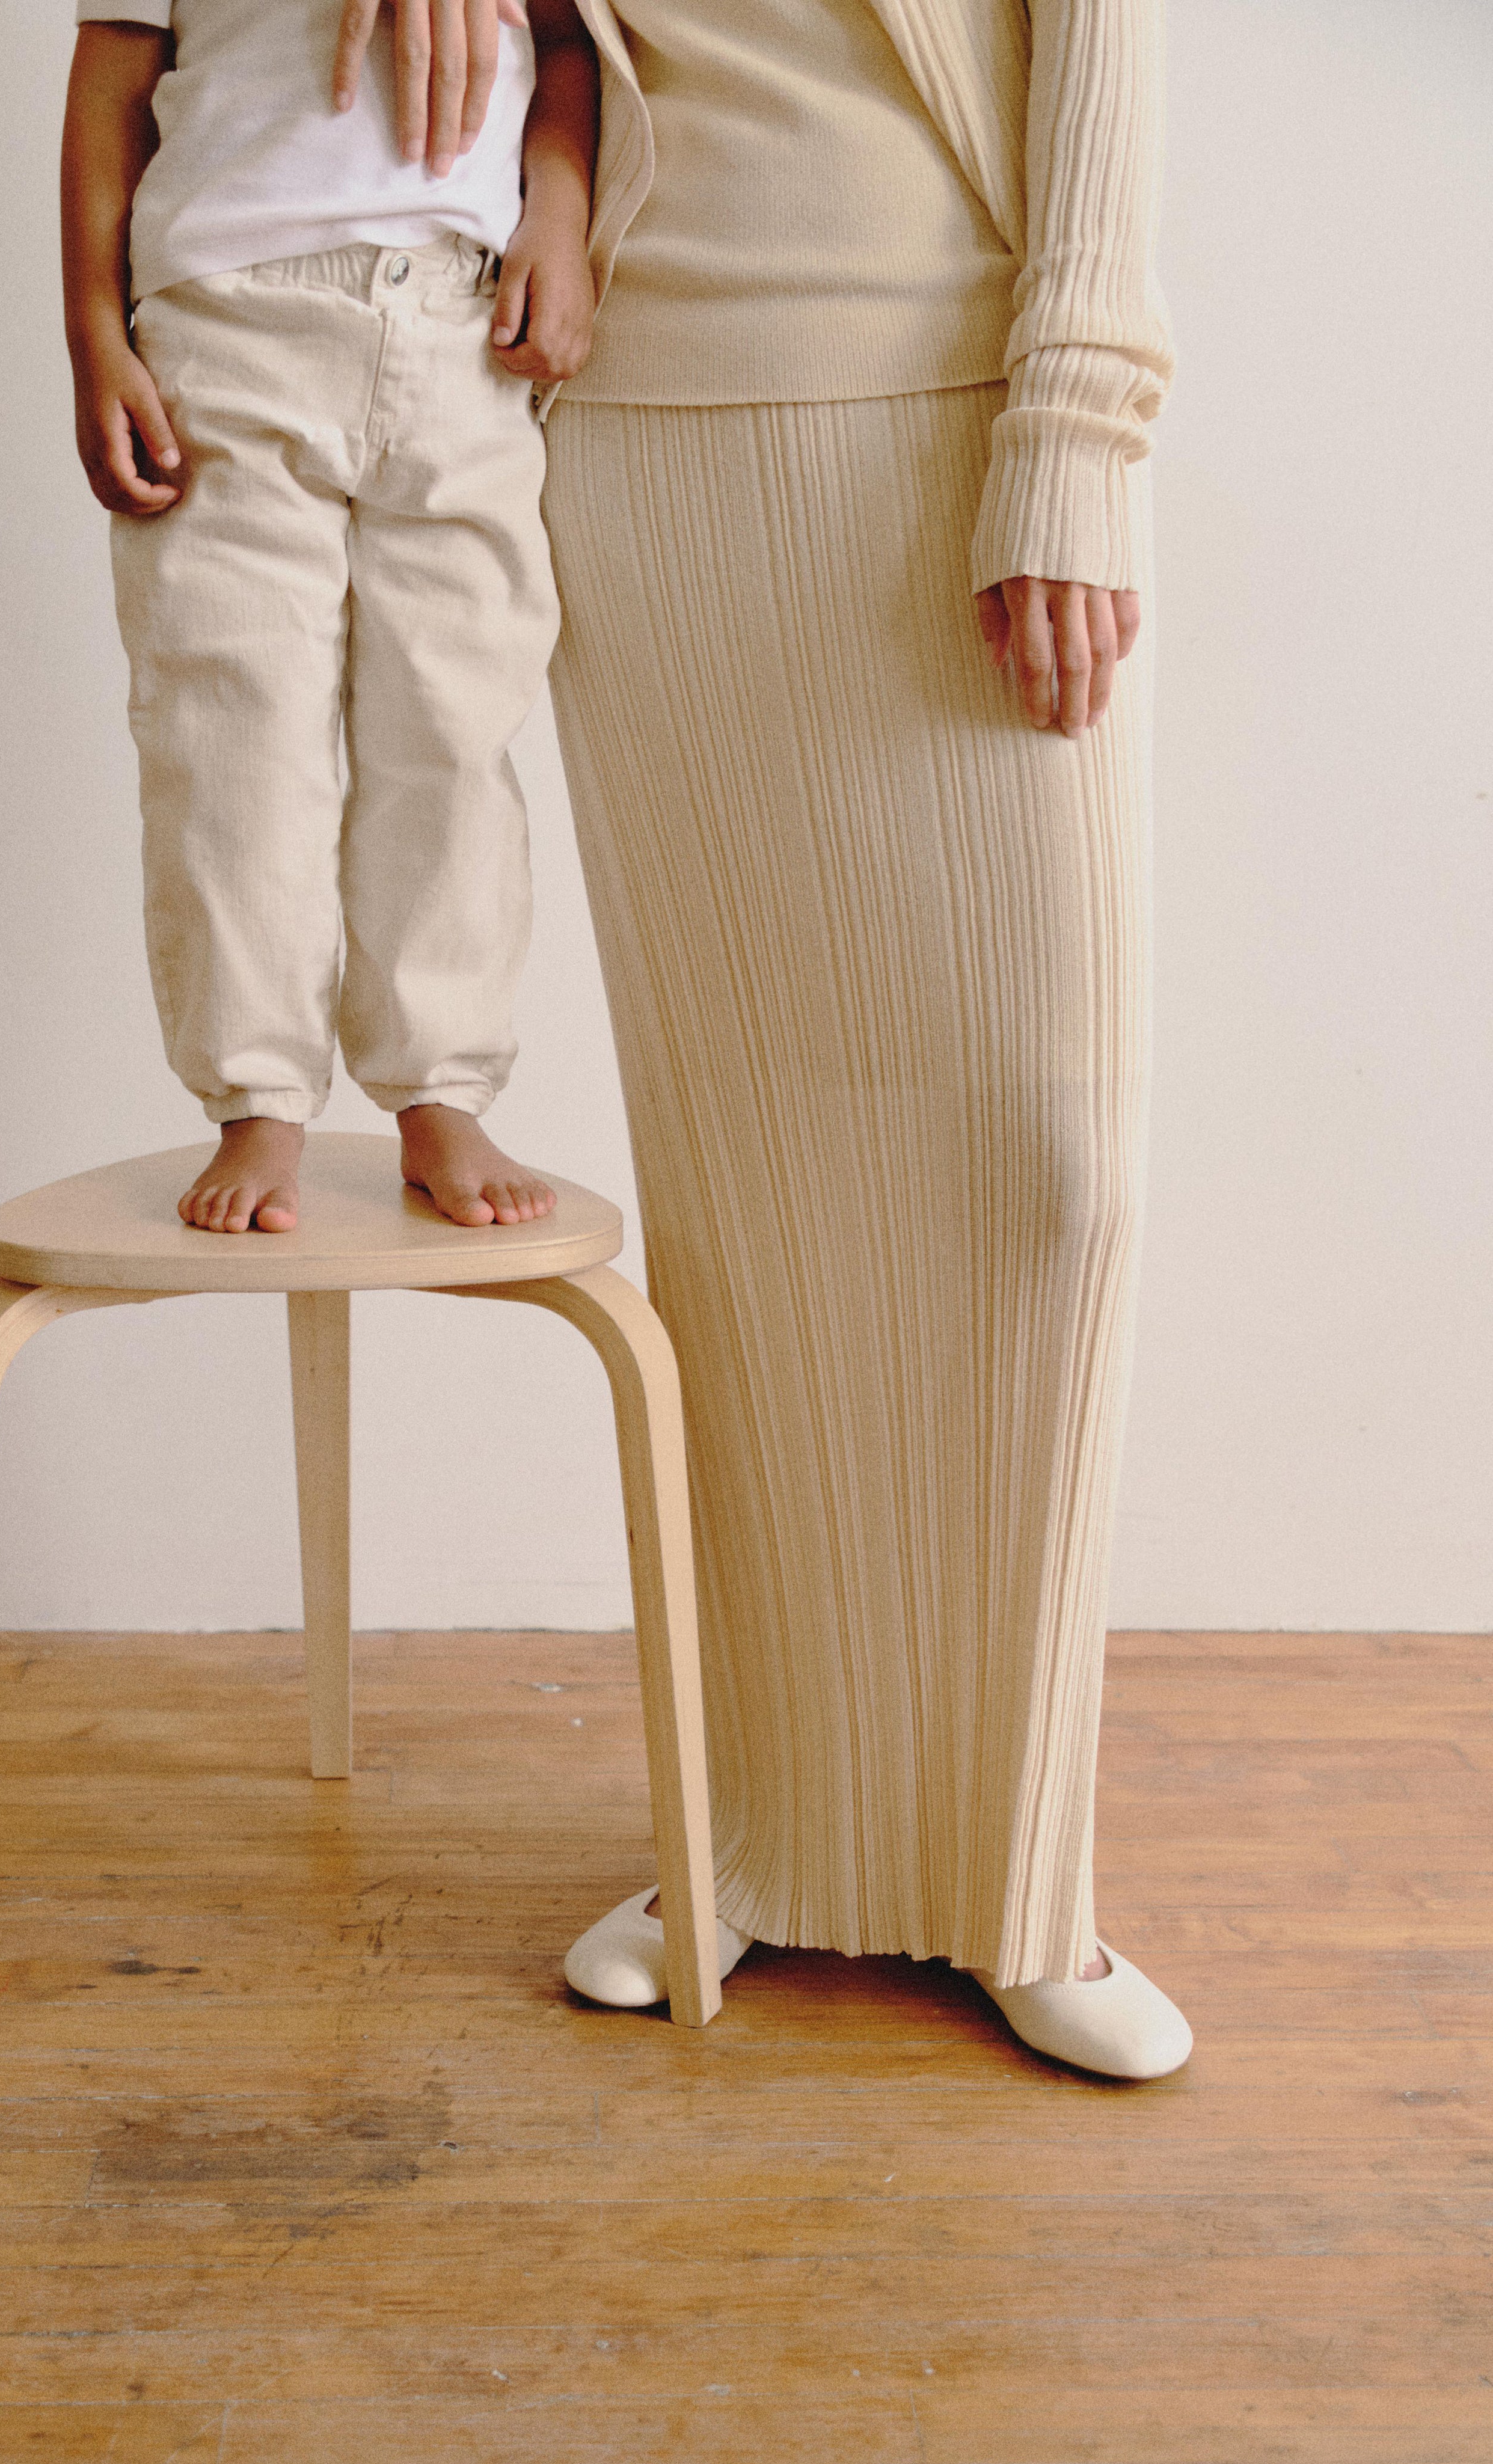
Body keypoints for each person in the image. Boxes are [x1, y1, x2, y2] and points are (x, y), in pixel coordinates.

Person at [390, 0, 1192, 2077]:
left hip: (949, 413)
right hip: (638, 444)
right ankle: (745, 1843)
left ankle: (1020, 1879)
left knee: (1051, 1177)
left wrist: (1074, 433)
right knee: (745, 1189)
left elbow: (1102, 56)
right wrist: (552, 180)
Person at [60, 0, 601, 1234]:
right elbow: (110, 81)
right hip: (224, 329)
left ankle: (440, 1085)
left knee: (456, 727)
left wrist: (556, 220)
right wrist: (97, 333)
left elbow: (571, 45)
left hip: (467, 333)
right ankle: (256, 1096)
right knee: (231, 733)